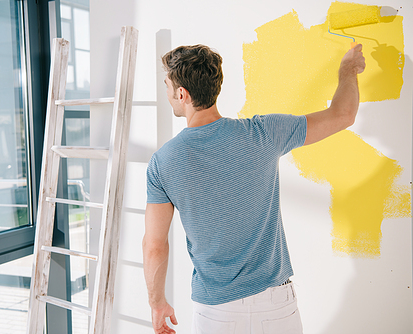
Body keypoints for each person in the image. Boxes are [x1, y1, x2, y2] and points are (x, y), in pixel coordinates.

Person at [143, 44, 366, 334]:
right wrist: (348, 69)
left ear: (182, 94)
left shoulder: (164, 161)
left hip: (216, 312)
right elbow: (343, 114)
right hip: (276, 306)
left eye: (168, 86)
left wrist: (157, 303)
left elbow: (155, 247)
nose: (168, 93)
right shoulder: (264, 133)